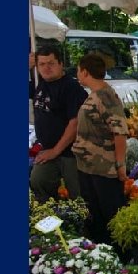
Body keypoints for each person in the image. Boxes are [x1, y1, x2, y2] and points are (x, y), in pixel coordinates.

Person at [70, 54, 129, 250]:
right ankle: (101, 252)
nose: (78, 74)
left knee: (110, 213)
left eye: (78, 70)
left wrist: (120, 165)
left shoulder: (106, 96)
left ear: (85, 71)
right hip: (89, 166)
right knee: (94, 213)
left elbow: (120, 133)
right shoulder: (94, 94)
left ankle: (118, 253)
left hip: (104, 167)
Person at [29, 43, 88, 202]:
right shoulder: (39, 84)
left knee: (79, 196)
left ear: (61, 64)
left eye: (51, 63)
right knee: (38, 182)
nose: (46, 68)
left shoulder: (71, 87)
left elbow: (75, 123)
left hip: (71, 153)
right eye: (41, 64)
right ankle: (53, 220)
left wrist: (55, 151)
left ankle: (84, 224)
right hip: (48, 151)